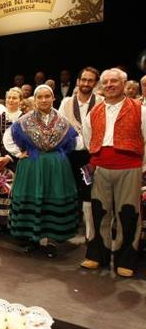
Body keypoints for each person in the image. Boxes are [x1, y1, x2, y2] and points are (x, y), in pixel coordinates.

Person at [81, 68, 145, 277]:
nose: (109, 85)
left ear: (123, 84)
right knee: (100, 213)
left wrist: (143, 168)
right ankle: (97, 255)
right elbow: (89, 139)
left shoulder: (139, 109)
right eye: (106, 82)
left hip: (130, 167)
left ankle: (125, 259)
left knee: (128, 214)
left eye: (114, 81)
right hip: (102, 168)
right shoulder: (95, 112)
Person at [3, 85, 80, 258]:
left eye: (47, 96)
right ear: (35, 99)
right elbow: (8, 137)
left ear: (53, 98)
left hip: (55, 166)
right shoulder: (25, 120)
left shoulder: (62, 120)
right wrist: (17, 153)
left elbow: (77, 141)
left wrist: (63, 150)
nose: (44, 100)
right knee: (33, 197)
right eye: (40, 97)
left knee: (51, 198)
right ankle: (32, 238)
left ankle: (52, 240)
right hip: (31, 165)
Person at [58, 67, 103, 236]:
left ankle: (90, 234)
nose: (86, 83)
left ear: (95, 83)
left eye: (90, 80)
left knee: (88, 190)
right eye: (83, 79)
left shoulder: (100, 101)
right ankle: (70, 226)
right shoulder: (66, 102)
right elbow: (61, 126)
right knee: (69, 188)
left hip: (90, 154)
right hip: (70, 153)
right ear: (78, 81)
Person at [0, 87, 23, 230]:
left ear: (20, 101)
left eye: (14, 98)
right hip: (1, 159)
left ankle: (15, 222)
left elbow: (26, 141)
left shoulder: (25, 118)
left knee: (16, 191)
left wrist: (10, 157)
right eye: (9, 97)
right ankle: (1, 222)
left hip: (19, 159)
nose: (11, 100)